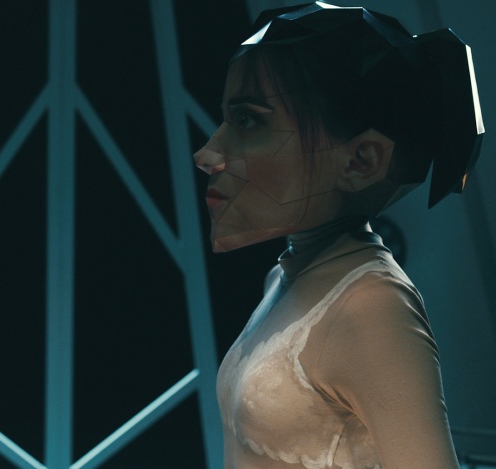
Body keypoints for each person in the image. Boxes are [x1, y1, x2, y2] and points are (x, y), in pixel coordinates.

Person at [194, 3, 483, 468]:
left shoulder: (372, 306)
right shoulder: (283, 277)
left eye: (248, 121)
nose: (208, 154)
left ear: (362, 161)